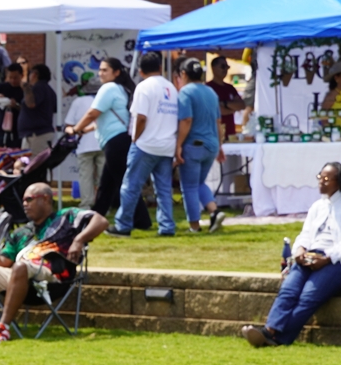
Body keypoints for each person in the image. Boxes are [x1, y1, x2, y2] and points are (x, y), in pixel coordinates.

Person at [241, 163, 341, 347]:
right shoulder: (318, 206)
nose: (321, 182)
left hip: (337, 261)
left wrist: (327, 258)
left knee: (309, 296)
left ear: (339, 181)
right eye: (320, 177)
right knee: (289, 290)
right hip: (309, 256)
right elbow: (306, 234)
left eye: (326, 179)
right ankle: (269, 331)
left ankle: (276, 338)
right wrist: (300, 250)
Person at [0, 182, 107, 344]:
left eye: (29, 199)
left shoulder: (66, 217)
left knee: (21, 266)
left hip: (53, 277)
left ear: (46, 199)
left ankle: (2, 328)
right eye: (23, 200)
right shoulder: (20, 232)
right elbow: (4, 262)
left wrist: (79, 240)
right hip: (20, 278)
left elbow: (101, 221)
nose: (24, 204)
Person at [66, 57, 150, 229]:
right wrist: (84, 130)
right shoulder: (120, 89)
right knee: (107, 185)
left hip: (115, 142)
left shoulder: (108, 88)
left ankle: (142, 220)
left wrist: (75, 129)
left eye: (105, 70)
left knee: (124, 184)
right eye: (100, 69)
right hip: (119, 140)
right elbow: (104, 120)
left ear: (116, 72)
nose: (100, 73)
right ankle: (95, 217)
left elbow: (92, 113)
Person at [110, 52, 177, 237]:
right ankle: (167, 226)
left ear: (140, 71)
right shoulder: (171, 87)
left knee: (131, 186)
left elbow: (141, 117)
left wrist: (135, 138)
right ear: (160, 68)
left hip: (146, 144)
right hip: (167, 145)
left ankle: (123, 225)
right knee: (164, 189)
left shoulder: (143, 87)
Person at [174, 58, 226, 234]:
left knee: (189, 186)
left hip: (194, 144)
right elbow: (218, 121)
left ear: (183, 74)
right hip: (211, 144)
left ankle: (194, 226)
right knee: (199, 183)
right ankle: (214, 211)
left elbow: (186, 120)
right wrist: (220, 146)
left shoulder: (185, 92)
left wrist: (178, 145)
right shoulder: (211, 92)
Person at [63, 78, 104, 210]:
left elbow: (69, 124)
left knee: (85, 177)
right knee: (103, 177)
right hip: (103, 143)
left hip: (83, 144)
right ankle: (103, 204)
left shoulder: (78, 102)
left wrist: (74, 131)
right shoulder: (105, 101)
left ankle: (86, 204)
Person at [19, 63, 57, 160]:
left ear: (35, 74)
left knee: (33, 164)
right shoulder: (50, 90)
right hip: (40, 134)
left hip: (36, 135)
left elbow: (31, 103)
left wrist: (26, 87)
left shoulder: (39, 87)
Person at [0, 63, 24, 148]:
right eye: (10, 77)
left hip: (17, 130)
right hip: (0, 129)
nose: (13, 80)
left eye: (15, 78)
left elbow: (29, 109)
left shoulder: (24, 89)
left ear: (21, 76)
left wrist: (16, 106)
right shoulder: (2, 87)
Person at [206, 56, 245, 139]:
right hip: (214, 135)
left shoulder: (230, 87)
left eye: (227, 67)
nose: (226, 69)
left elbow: (241, 105)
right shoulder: (208, 88)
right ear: (213, 68)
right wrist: (233, 108)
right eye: (223, 66)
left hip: (230, 134)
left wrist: (224, 103)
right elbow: (217, 110)